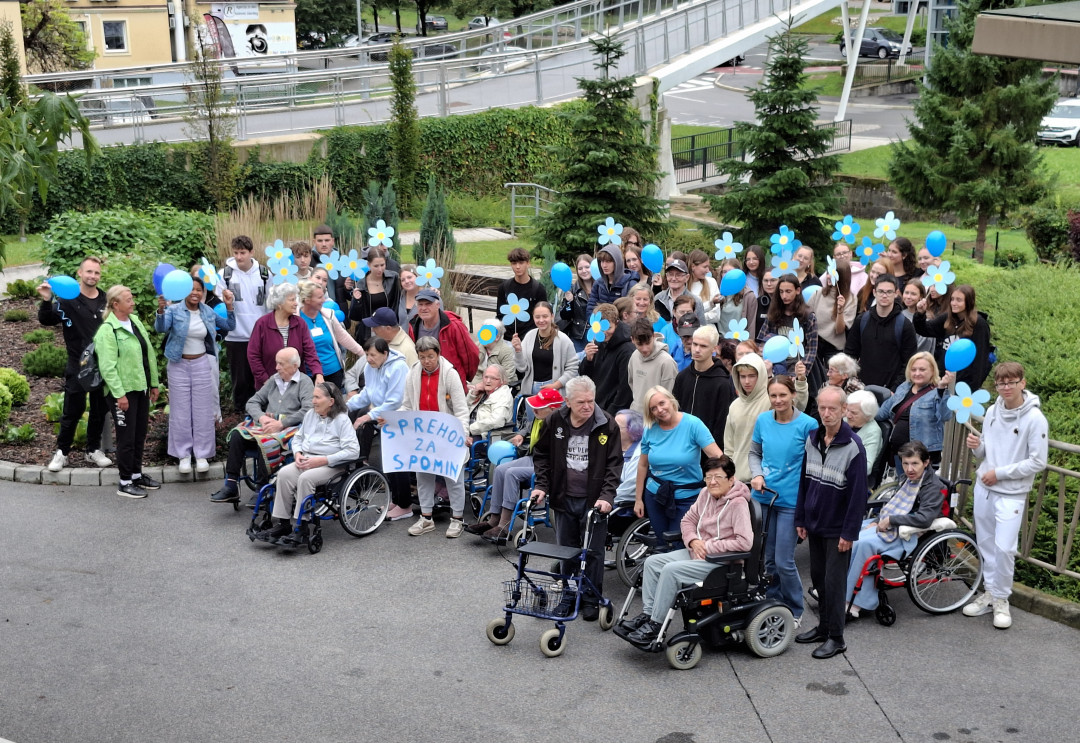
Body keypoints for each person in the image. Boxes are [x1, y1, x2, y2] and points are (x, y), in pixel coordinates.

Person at [620, 455, 753, 646]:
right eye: (708, 477)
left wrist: (707, 546)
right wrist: (692, 540)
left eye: (718, 477)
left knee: (670, 571)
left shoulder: (738, 504)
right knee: (652, 562)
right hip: (696, 553)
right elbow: (687, 520)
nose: (712, 482)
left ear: (731, 479)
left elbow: (745, 542)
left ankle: (655, 626)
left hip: (721, 562)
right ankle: (648, 615)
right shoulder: (705, 494)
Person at [962, 362, 1048, 630]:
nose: (1006, 387)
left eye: (1012, 382)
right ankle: (989, 592)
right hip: (985, 488)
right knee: (986, 544)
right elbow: (987, 451)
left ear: (1022, 382)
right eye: (1001, 383)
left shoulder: (1035, 419)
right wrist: (977, 447)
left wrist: (999, 473)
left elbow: (1038, 462)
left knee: (1005, 548)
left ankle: (1001, 599)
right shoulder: (992, 411)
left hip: (1011, 492)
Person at [531, 375, 622, 621]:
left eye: (591, 401)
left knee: (593, 552)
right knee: (566, 550)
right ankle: (569, 596)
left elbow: (614, 465)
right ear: (568, 402)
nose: (587, 406)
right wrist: (541, 485)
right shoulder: (555, 420)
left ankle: (591, 598)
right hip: (563, 497)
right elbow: (541, 454)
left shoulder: (607, 425)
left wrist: (607, 496)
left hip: (593, 501)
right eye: (581, 402)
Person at [794, 386, 868, 659]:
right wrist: (801, 518)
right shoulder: (812, 438)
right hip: (814, 523)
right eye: (822, 408)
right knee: (819, 580)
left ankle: (837, 638)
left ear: (844, 410)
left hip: (837, 529)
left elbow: (858, 495)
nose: (826, 414)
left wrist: (849, 533)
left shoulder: (853, 447)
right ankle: (824, 627)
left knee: (835, 585)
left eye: (832, 409)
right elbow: (804, 481)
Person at [845, 440, 944, 620]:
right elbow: (892, 506)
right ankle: (840, 588)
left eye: (914, 463)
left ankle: (856, 603)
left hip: (910, 534)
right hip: (894, 526)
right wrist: (878, 521)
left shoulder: (933, 487)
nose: (909, 469)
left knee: (863, 544)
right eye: (905, 463)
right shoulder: (907, 479)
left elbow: (924, 518)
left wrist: (890, 521)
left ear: (926, 462)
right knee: (847, 532)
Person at [255, 382, 361, 548]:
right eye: (313, 397)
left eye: (317, 397)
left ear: (331, 401)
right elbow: (298, 438)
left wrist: (324, 459)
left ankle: (302, 528)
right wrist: (297, 453)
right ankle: (284, 524)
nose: (313, 401)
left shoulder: (342, 420)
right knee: (284, 474)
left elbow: (353, 451)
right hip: (307, 459)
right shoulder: (311, 415)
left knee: (305, 479)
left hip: (331, 465)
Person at [747, 375, 818, 622]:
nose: (778, 400)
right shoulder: (763, 420)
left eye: (783, 395)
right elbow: (754, 453)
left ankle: (795, 607)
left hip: (789, 501)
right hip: (763, 497)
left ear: (793, 395)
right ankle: (773, 600)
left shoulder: (808, 425)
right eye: (773, 395)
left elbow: (814, 466)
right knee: (767, 558)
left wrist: (808, 505)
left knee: (784, 560)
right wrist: (756, 474)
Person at [210, 348, 315, 504]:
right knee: (238, 435)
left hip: (289, 428)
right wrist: (261, 417)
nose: (276, 367)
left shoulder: (305, 382)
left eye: (281, 364)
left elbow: (308, 410)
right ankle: (231, 485)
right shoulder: (274, 380)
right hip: (267, 425)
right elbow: (253, 402)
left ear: (294, 366)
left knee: (264, 441)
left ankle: (261, 488)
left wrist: (281, 423)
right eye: (276, 363)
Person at [38, 256, 113, 472]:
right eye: (89, 272)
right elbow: (46, 320)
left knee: (100, 409)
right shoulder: (67, 300)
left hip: (102, 364)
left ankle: (92, 450)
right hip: (77, 364)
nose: (93, 276)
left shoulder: (105, 300)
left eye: (96, 273)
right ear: (79, 273)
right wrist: (46, 300)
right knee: (73, 409)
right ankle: (62, 452)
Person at [154, 276, 235, 474]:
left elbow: (229, 326)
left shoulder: (207, 311)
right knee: (181, 411)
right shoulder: (174, 310)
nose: (195, 293)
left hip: (201, 363)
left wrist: (230, 306)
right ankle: (183, 455)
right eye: (191, 289)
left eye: (199, 290)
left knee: (203, 411)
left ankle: (201, 455)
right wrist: (161, 310)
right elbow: (161, 328)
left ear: (203, 292)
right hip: (178, 364)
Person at [635, 385, 724, 549]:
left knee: (680, 545)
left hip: (687, 497)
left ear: (671, 400)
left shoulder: (693, 424)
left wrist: (728, 483)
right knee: (661, 545)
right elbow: (642, 465)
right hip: (656, 495)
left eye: (662, 403)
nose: (659, 410)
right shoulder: (650, 429)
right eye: (653, 408)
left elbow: (717, 457)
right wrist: (638, 499)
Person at [467, 387, 563, 538]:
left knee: (512, 473)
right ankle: (493, 520)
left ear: (552, 409)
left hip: (547, 466)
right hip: (533, 458)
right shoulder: (540, 418)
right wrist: (520, 435)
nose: (534, 410)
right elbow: (528, 426)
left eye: (539, 407)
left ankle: (504, 526)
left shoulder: (560, 427)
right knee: (500, 470)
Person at [399, 336, 470, 538]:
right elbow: (406, 404)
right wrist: (393, 419)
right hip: (424, 433)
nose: (426, 361)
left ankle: (457, 519)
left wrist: (463, 433)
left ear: (438, 354)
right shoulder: (413, 373)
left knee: (453, 477)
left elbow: (461, 409)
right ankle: (426, 517)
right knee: (423, 476)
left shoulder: (450, 375)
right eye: (422, 357)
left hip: (446, 432)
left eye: (430, 356)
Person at [94, 286, 161, 499]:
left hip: (139, 388)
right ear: (116, 304)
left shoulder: (135, 322)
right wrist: (119, 395)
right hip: (122, 392)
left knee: (139, 433)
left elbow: (147, 354)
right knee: (126, 437)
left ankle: (136, 474)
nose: (133, 303)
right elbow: (107, 367)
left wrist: (154, 384)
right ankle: (124, 482)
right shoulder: (108, 330)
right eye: (128, 300)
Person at [218, 235, 271, 411]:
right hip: (236, 336)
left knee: (261, 377)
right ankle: (241, 414)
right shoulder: (224, 274)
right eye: (235, 253)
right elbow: (219, 305)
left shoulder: (264, 273)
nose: (239, 257)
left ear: (251, 252)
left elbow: (270, 304)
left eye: (242, 253)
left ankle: (262, 412)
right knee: (240, 380)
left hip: (260, 336)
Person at [876, 352, 952, 466]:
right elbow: (883, 412)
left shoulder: (938, 393)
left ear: (932, 371)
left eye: (922, 370)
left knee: (919, 484)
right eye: (913, 369)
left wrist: (942, 389)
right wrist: (860, 414)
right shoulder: (904, 387)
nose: (917, 373)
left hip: (922, 457)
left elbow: (946, 415)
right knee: (903, 484)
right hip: (900, 454)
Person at [913, 284, 993, 390]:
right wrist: (920, 313)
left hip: (964, 384)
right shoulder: (947, 318)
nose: (954, 303)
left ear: (968, 302)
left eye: (959, 300)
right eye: (952, 299)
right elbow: (924, 329)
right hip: (943, 380)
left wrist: (970, 388)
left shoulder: (979, 324)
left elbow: (980, 360)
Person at [844, 275, 917, 389]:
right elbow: (850, 353)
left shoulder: (905, 325)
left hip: (890, 390)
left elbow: (909, 362)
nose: (884, 295)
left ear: (896, 293)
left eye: (889, 292)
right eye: (881, 291)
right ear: (874, 292)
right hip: (862, 388)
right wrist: (853, 380)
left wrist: (895, 389)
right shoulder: (862, 320)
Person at [248, 282, 322, 389]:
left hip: (296, 387)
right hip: (268, 387)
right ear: (279, 303)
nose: (296, 303)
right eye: (292, 300)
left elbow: (310, 352)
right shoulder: (262, 324)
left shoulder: (300, 324)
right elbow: (253, 356)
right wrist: (266, 381)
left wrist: (318, 374)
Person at [346, 336, 408, 462]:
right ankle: (352, 459)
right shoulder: (370, 366)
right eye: (367, 354)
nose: (368, 359)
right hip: (380, 410)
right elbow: (367, 394)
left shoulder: (398, 368)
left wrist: (369, 416)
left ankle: (361, 461)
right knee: (349, 413)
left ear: (385, 353)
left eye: (373, 355)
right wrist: (344, 406)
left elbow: (394, 402)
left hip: (398, 413)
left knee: (364, 421)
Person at [672, 324, 733, 447]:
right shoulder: (682, 377)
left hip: (710, 449)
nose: (697, 349)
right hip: (682, 445)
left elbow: (722, 423)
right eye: (695, 344)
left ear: (714, 349)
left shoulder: (722, 382)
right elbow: (675, 411)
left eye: (703, 346)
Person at [407, 289, 479, 389]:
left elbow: (471, 355)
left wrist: (462, 378)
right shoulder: (413, 325)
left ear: (438, 305)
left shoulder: (454, 326)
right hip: (425, 381)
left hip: (451, 382)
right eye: (420, 304)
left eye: (428, 304)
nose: (423, 308)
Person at [298, 279, 363, 390]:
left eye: (323, 296)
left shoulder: (328, 315)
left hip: (333, 371)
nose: (324, 300)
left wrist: (362, 353)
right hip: (308, 375)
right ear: (307, 300)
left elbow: (343, 337)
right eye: (319, 298)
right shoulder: (296, 320)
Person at [511, 301, 578, 399]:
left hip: (555, 389)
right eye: (537, 317)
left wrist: (556, 385)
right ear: (533, 317)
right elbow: (522, 368)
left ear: (552, 316)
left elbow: (573, 368)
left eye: (545, 316)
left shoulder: (563, 340)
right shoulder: (530, 336)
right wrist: (518, 351)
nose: (541, 320)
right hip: (531, 388)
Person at [579, 302, 634, 415]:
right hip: (595, 405)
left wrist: (611, 414)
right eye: (600, 328)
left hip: (610, 411)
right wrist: (588, 360)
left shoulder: (627, 350)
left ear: (617, 324)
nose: (604, 333)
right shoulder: (598, 342)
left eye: (608, 328)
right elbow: (585, 377)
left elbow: (625, 388)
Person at [724, 353, 771, 482]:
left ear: (761, 376)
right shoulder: (734, 405)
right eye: (742, 376)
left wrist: (801, 382)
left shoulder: (771, 401)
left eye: (752, 376)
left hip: (764, 478)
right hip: (738, 479)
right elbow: (729, 446)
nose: (747, 381)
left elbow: (798, 405)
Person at [349, 246, 401, 345]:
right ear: (369, 265)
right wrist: (357, 301)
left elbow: (398, 303)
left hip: (389, 330)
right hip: (369, 333)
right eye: (376, 266)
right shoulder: (361, 284)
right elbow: (355, 316)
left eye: (382, 265)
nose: (380, 269)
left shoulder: (393, 278)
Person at [627, 318, 678, 414]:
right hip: (636, 415)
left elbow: (669, 396)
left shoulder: (666, 362)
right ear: (632, 340)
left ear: (653, 336)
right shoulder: (634, 356)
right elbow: (631, 383)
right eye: (640, 344)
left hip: (657, 419)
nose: (644, 349)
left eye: (647, 343)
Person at [807, 260, 855, 362]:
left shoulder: (851, 299)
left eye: (833, 274)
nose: (828, 276)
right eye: (828, 272)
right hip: (815, 343)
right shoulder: (819, 293)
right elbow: (805, 316)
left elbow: (839, 330)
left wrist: (840, 311)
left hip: (834, 348)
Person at [497, 247, 549, 338]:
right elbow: (500, 314)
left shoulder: (538, 289)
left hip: (530, 339)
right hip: (508, 339)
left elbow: (542, 316)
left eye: (521, 263)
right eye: (514, 263)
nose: (517, 267)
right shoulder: (504, 287)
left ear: (528, 263)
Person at [710, 259, 757, 339]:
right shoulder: (716, 292)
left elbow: (751, 325)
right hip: (720, 341)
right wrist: (712, 303)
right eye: (724, 272)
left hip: (739, 342)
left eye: (731, 272)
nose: (727, 275)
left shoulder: (748, 296)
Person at [587, 244, 639, 315]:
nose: (604, 265)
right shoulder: (598, 283)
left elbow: (632, 312)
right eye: (602, 261)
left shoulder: (630, 284)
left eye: (608, 261)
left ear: (617, 262)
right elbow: (590, 308)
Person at [558, 253, 594, 352]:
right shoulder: (572, 289)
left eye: (587, 267)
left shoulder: (601, 288)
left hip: (597, 334)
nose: (584, 271)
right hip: (578, 336)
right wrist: (569, 302)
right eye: (580, 268)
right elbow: (564, 316)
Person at [467, 365, 514, 439]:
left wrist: (470, 429)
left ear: (502, 381)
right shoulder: (484, 391)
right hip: (468, 430)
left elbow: (496, 421)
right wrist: (473, 394)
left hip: (484, 436)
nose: (488, 381)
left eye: (493, 378)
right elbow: (463, 408)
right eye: (486, 377)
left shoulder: (503, 395)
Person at [654, 258, 705, 325]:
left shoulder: (696, 301)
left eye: (678, 275)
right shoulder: (658, 298)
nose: (674, 278)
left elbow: (702, 328)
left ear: (687, 277)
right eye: (671, 274)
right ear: (666, 276)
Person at [470, 320, 516, 392]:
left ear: (497, 337)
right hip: (478, 383)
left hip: (500, 387)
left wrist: (485, 385)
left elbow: (508, 376)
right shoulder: (477, 346)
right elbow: (472, 369)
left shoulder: (506, 351)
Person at [846, 389, 882, 478]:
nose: (848, 415)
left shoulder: (873, 432)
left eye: (854, 413)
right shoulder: (845, 421)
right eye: (847, 410)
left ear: (867, 415)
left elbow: (866, 467)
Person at [614, 409, 644, 506]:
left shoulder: (638, 454)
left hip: (620, 506)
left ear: (632, 429)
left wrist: (605, 498)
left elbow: (628, 490)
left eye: (616, 426)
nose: (611, 428)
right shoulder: (613, 446)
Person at [900, 279, 936, 355]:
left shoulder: (927, 320)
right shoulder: (899, 314)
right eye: (906, 293)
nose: (908, 297)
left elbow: (923, 349)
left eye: (913, 294)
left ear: (921, 296)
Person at [687, 249, 720, 323]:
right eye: (705, 267)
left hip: (708, 331)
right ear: (693, 266)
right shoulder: (683, 286)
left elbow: (716, 315)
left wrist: (692, 318)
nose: (708, 270)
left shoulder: (711, 282)